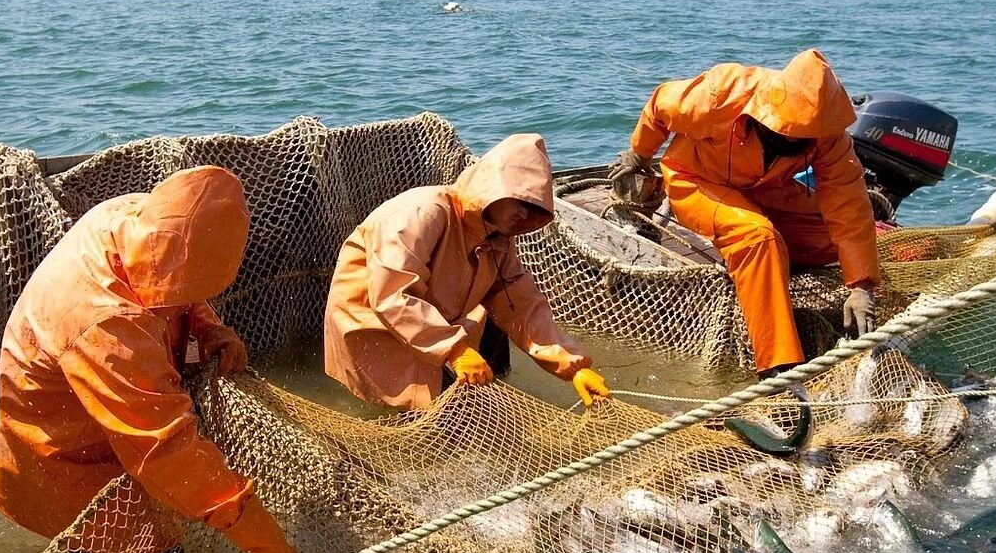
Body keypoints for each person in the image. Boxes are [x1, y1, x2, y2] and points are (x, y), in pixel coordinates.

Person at [0, 166, 297, 553]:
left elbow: (175, 280)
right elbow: (167, 451)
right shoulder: (105, 324)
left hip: (104, 424)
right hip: (62, 462)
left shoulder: (132, 217)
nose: (182, 300)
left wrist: (206, 327)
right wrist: (268, 548)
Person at [609, 49, 879, 378]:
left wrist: (861, 284)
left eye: (803, 137)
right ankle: (778, 369)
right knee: (757, 236)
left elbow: (848, 204)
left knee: (828, 240)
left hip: (762, 188)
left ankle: (760, 268)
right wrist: (639, 154)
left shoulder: (829, 134)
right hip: (696, 180)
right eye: (787, 131)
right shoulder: (721, 93)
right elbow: (660, 105)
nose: (793, 139)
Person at [324, 133, 609, 410]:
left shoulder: (498, 238)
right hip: (373, 321)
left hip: (440, 318)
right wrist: (454, 349)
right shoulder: (422, 211)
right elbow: (391, 295)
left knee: (490, 347)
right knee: (405, 409)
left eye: (535, 207)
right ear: (492, 187)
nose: (526, 215)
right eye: (520, 202)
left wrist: (574, 367)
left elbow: (521, 305)